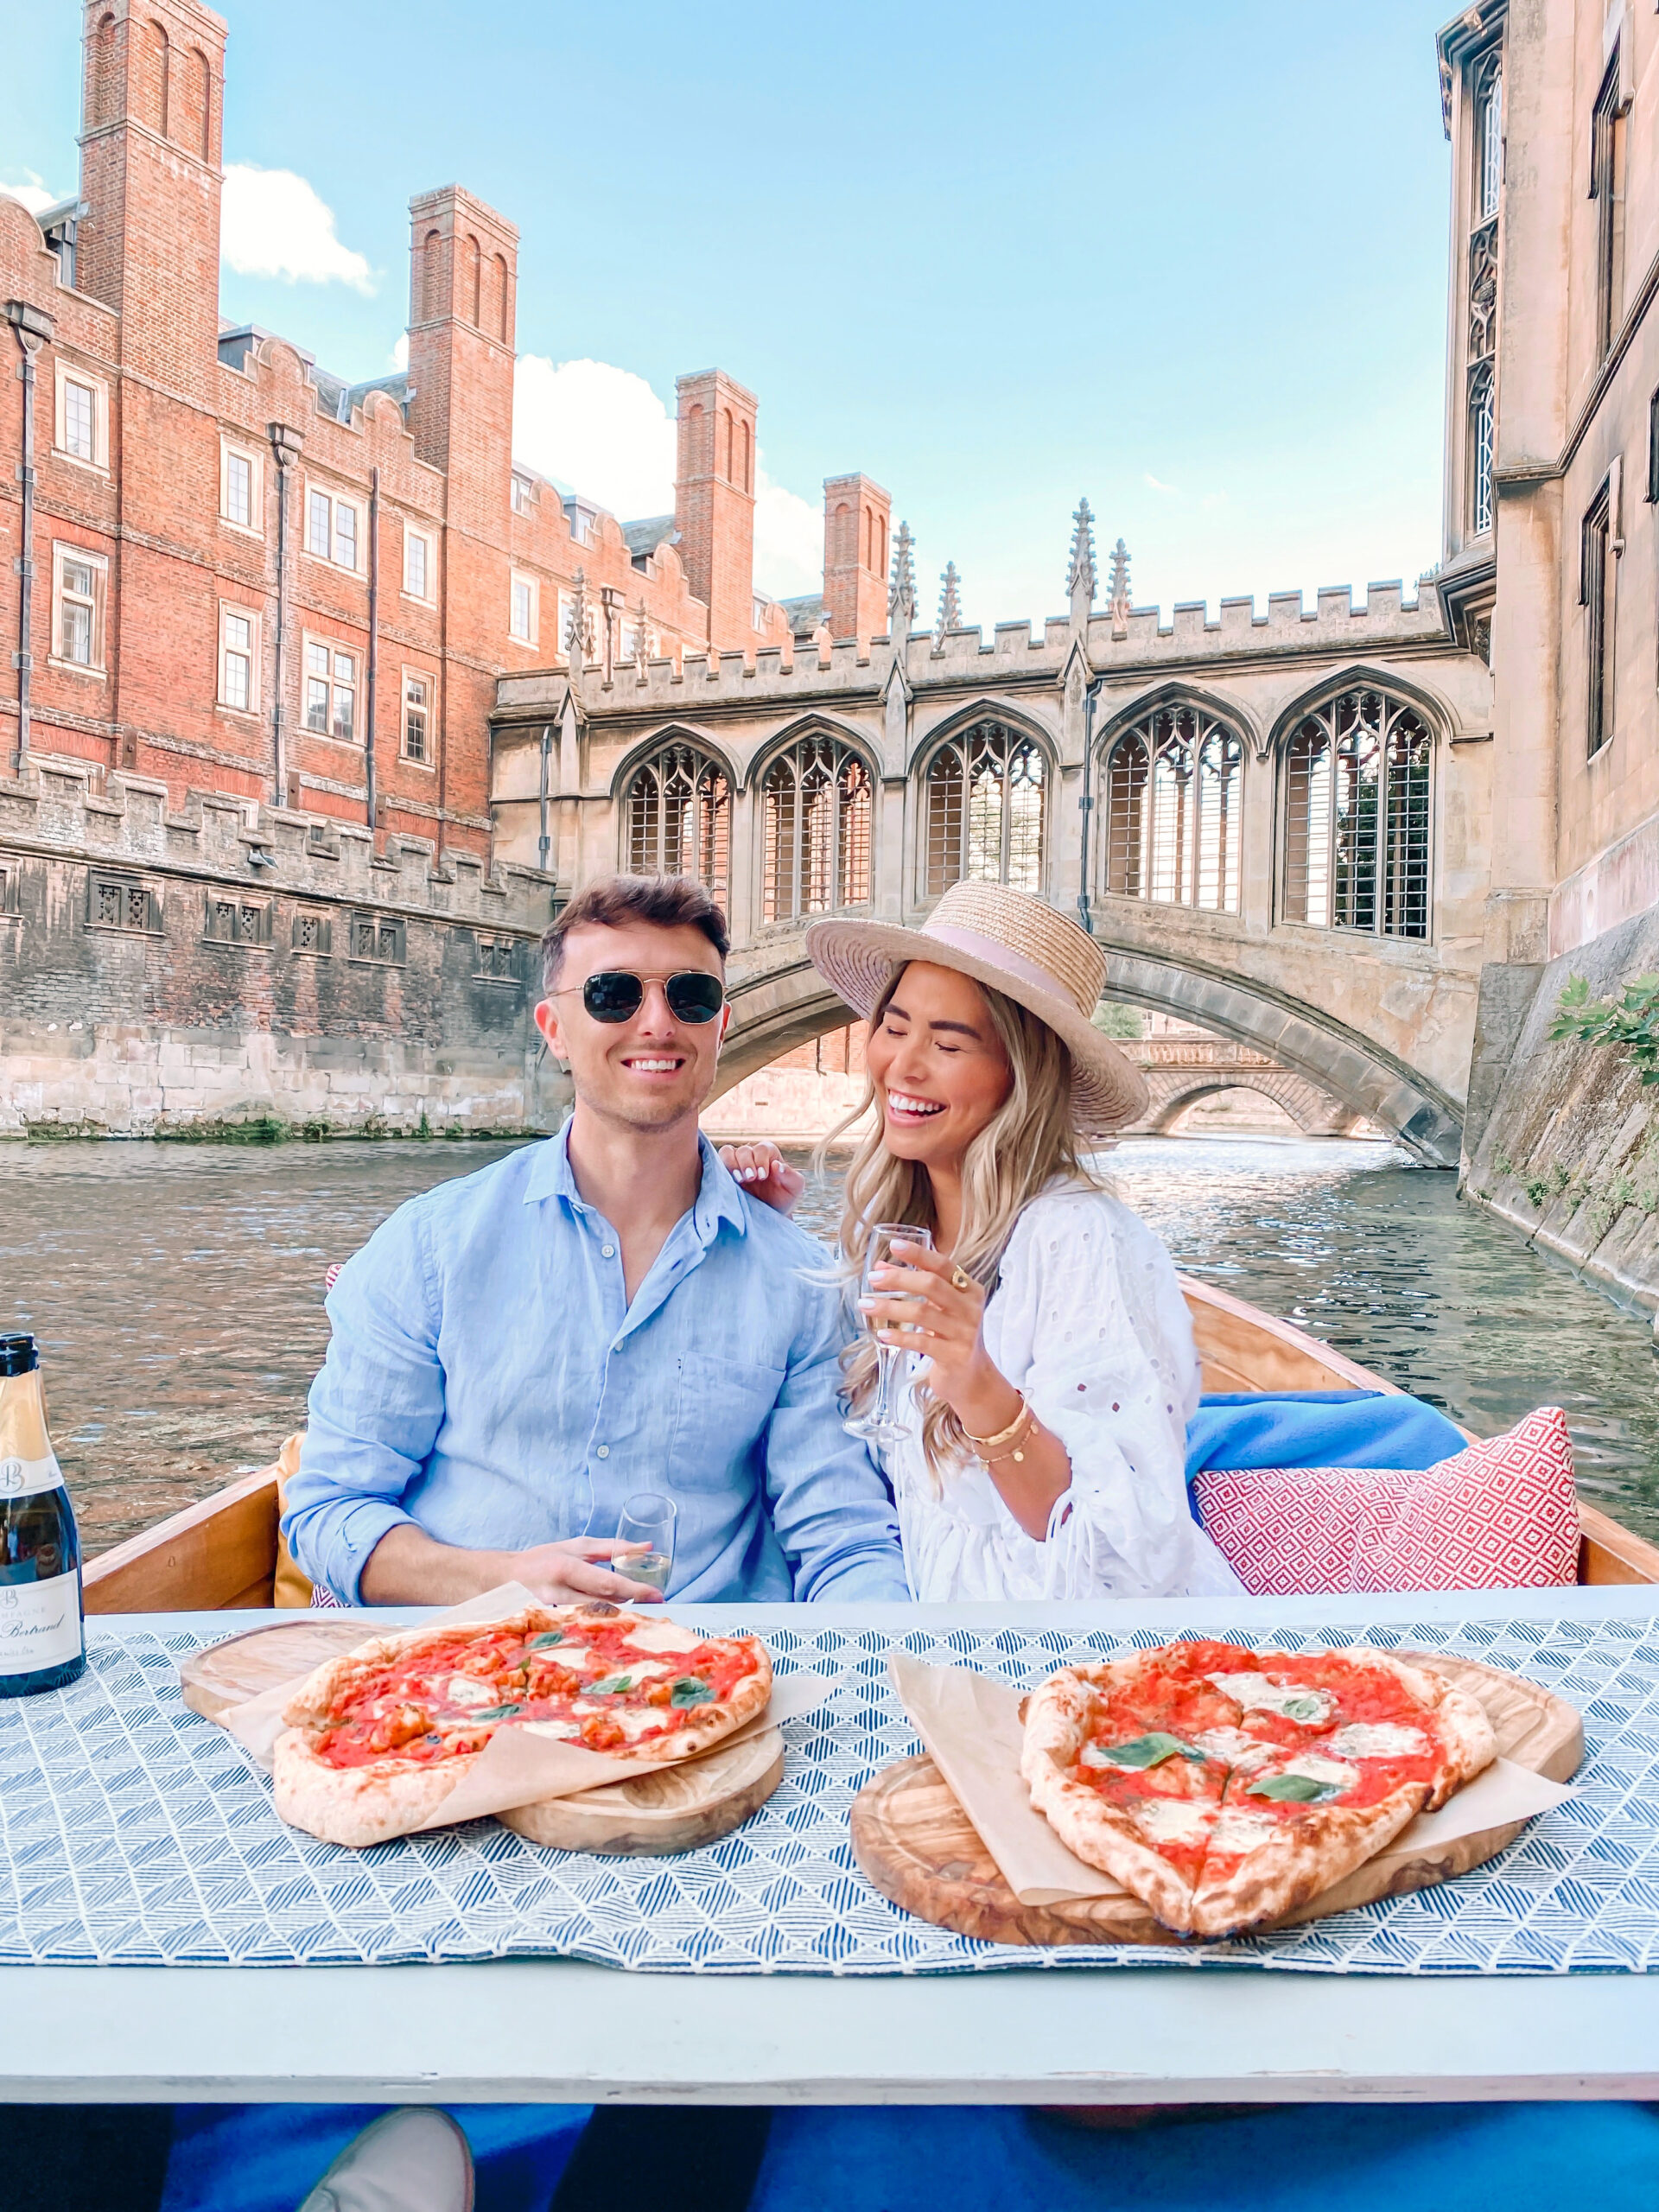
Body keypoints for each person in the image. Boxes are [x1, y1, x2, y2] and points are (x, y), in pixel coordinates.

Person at [282, 874, 908, 1608]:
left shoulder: (800, 1283)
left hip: (702, 1680)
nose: (656, 1023)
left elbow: (841, 1538)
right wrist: (506, 1579)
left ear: (721, 1026)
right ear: (555, 1030)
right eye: (614, 994)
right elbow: (330, 1512)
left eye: (690, 997)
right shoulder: (428, 1250)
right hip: (462, 1670)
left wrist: (889, 1672)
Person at [725, 879, 1240, 1603]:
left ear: (1019, 1078)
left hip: (1075, 1659)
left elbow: (1124, 1570)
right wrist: (766, 1232)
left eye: (949, 1042)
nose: (902, 1065)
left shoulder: (1076, 1237)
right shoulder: (899, 1227)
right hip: (939, 1643)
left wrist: (980, 1386)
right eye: (895, 1027)